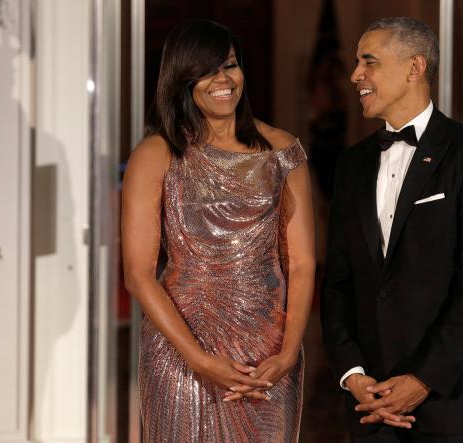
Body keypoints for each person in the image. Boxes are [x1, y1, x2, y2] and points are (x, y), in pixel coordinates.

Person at [321, 17, 463, 442]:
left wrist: (424, 379)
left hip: (453, 401)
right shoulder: (352, 164)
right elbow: (337, 281)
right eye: (356, 62)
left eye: (368, 62)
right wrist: (353, 374)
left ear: (414, 67)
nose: (355, 75)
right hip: (371, 405)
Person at [122, 19, 315, 442]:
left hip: (267, 354)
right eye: (207, 70)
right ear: (182, 80)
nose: (223, 80)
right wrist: (199, 360)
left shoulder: (282, 150)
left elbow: (301, 262)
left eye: (229, 65)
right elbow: (138, 274)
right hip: (181, 350)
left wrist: (286, 354)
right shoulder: (157, 154)